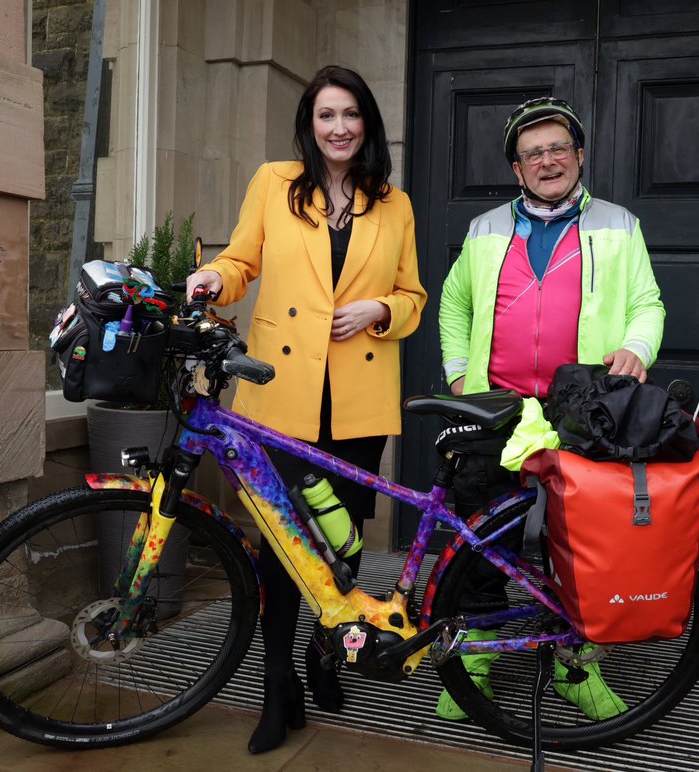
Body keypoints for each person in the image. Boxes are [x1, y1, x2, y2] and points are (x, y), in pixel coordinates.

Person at [185, 65, 427, 754]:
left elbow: (413, 296)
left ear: (368, 124)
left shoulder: (395, 203)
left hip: (357, 403)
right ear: (310, 123)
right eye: (327, 115)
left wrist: (381, 309)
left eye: (351, 114)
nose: (340, 127)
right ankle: (276, 683)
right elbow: (241, 262)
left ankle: (326, 657)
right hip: (280, 396)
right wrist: (213, 278)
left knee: (339, 551)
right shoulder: (273, 182)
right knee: (280, 551)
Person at [435, 96, 665, 720]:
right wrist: (460, 375)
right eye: (532, 153)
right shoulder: (485, 229)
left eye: (558, 147)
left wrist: (638, 347)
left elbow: (648, 302)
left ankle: (577, 665)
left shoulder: (618, 224)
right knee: (482, 533)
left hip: (582, 410)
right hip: (497, 410)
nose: (547, 161)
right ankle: (477, 657)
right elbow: (453, 305)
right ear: (516, 169)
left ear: (580, 155)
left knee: (586, 542)